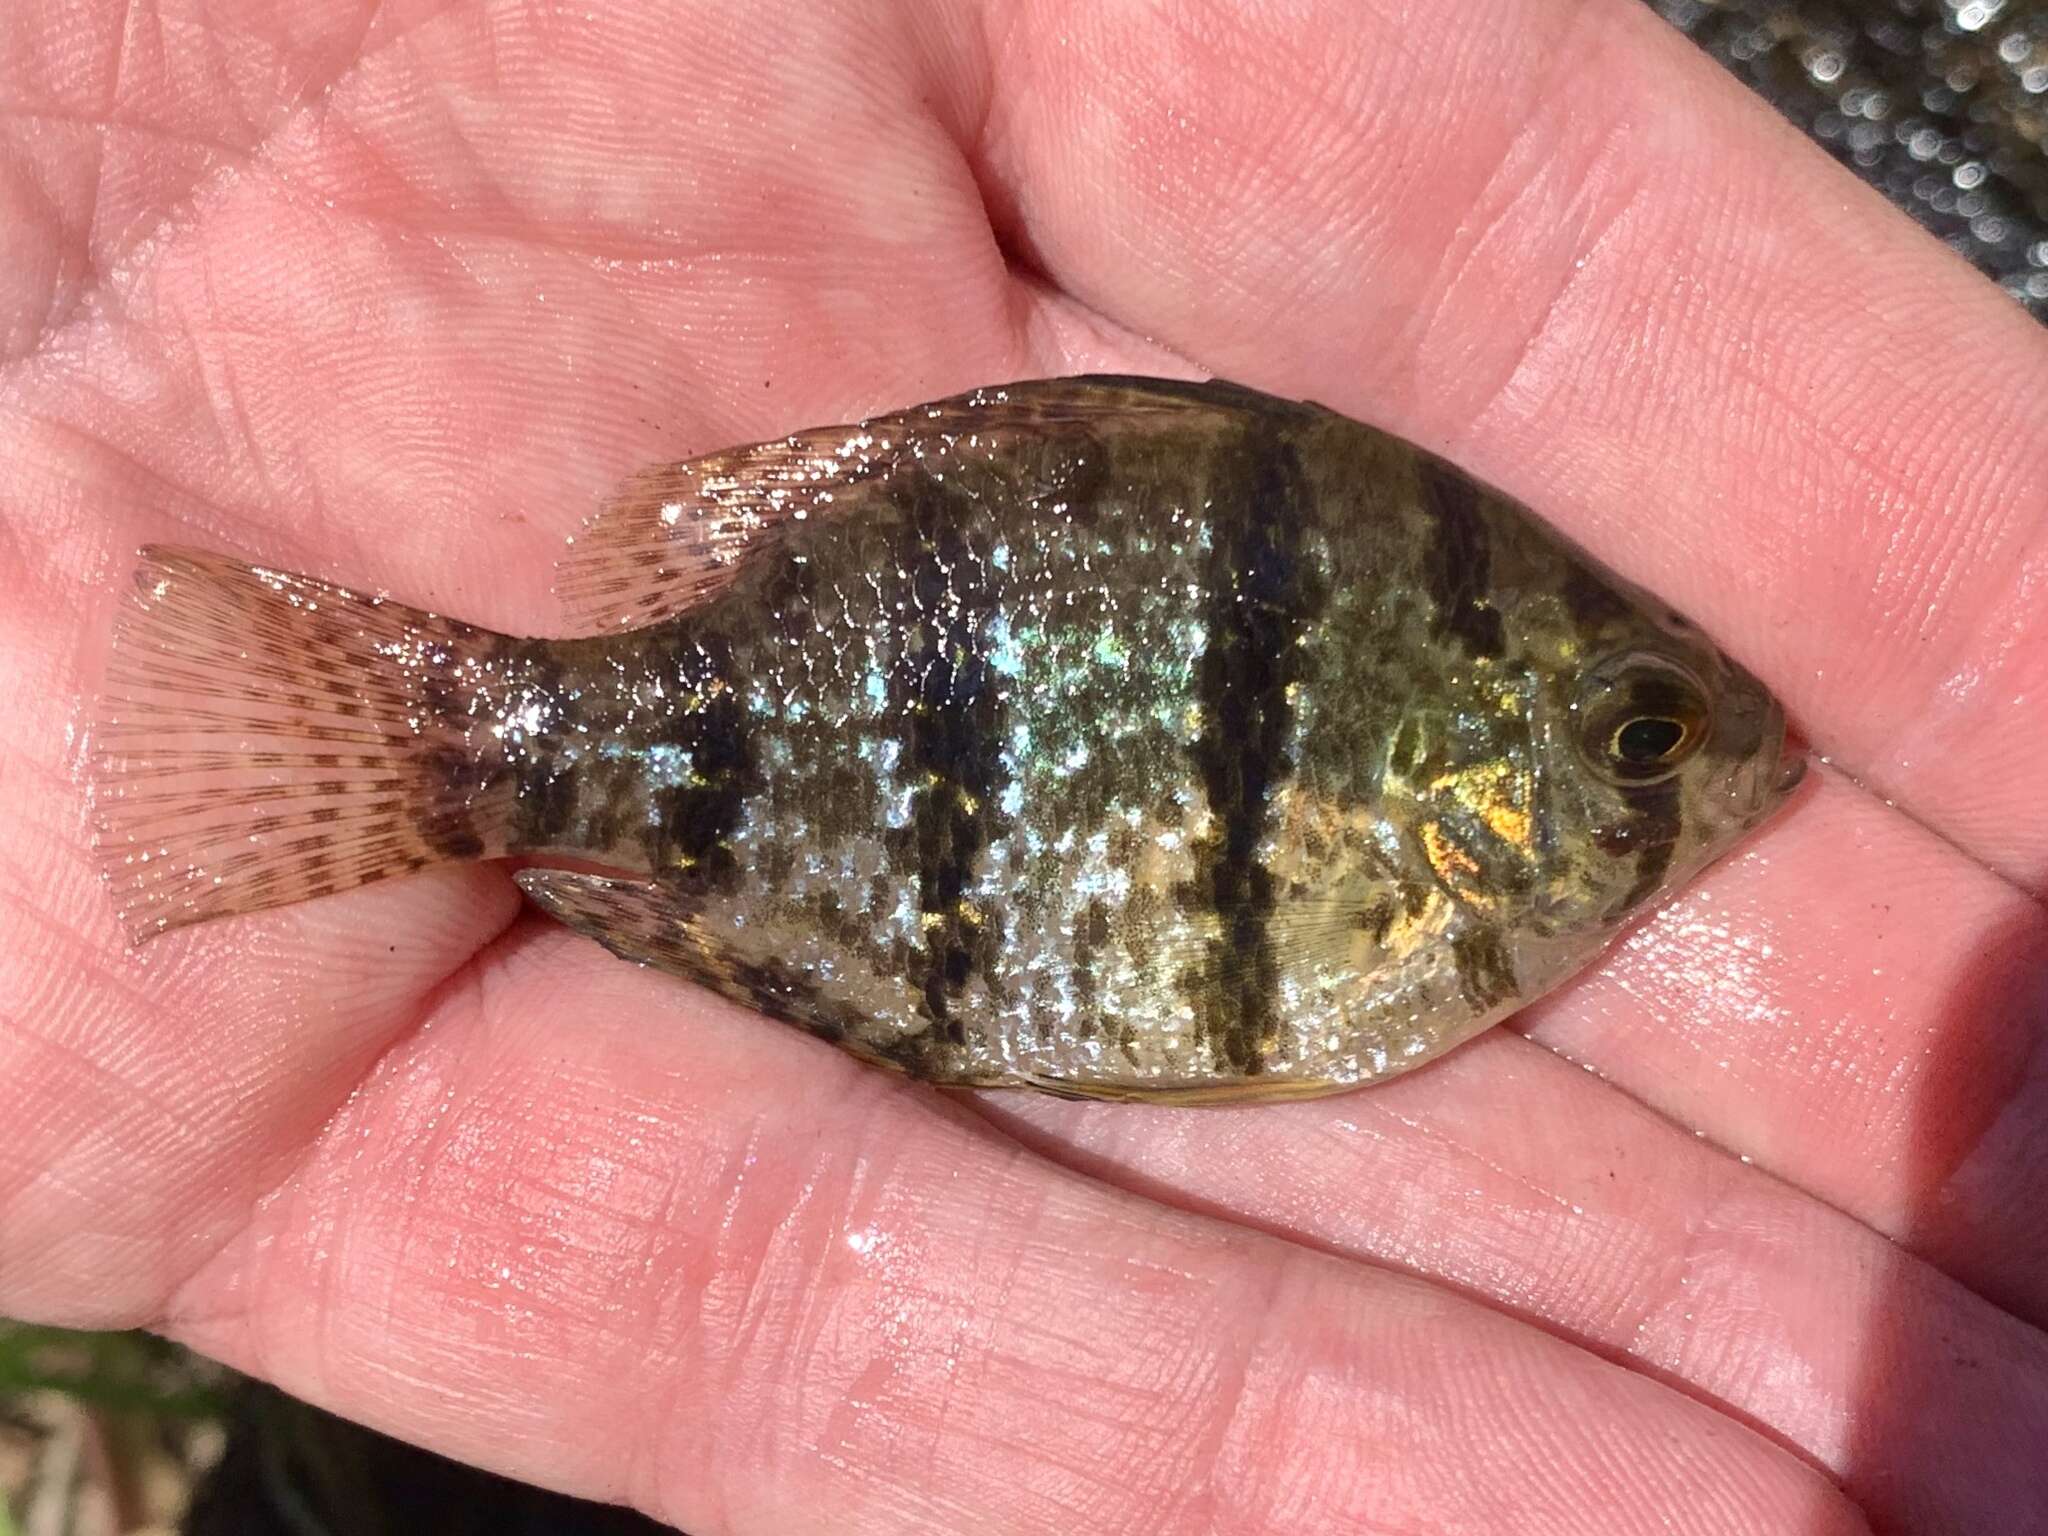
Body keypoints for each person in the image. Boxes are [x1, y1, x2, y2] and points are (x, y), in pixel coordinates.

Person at [1, 3, 2044, 1532]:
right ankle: (448, 746)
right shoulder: (1433, 858)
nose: (1697, 773)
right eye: (1639, 738)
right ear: (1474, 772)